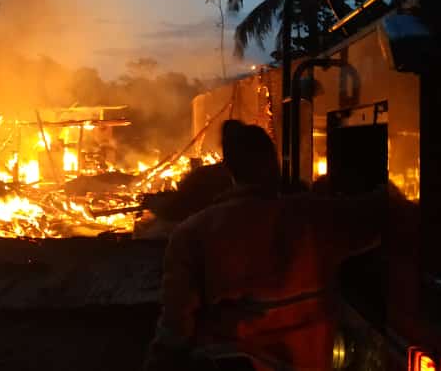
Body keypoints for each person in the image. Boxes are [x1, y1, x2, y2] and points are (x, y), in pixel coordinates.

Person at [144, 121, 385, 371]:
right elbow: (382, 213)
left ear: (229, 171)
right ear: (274, 164)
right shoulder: (314, 217)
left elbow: (175, 328)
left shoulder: (193, 234)